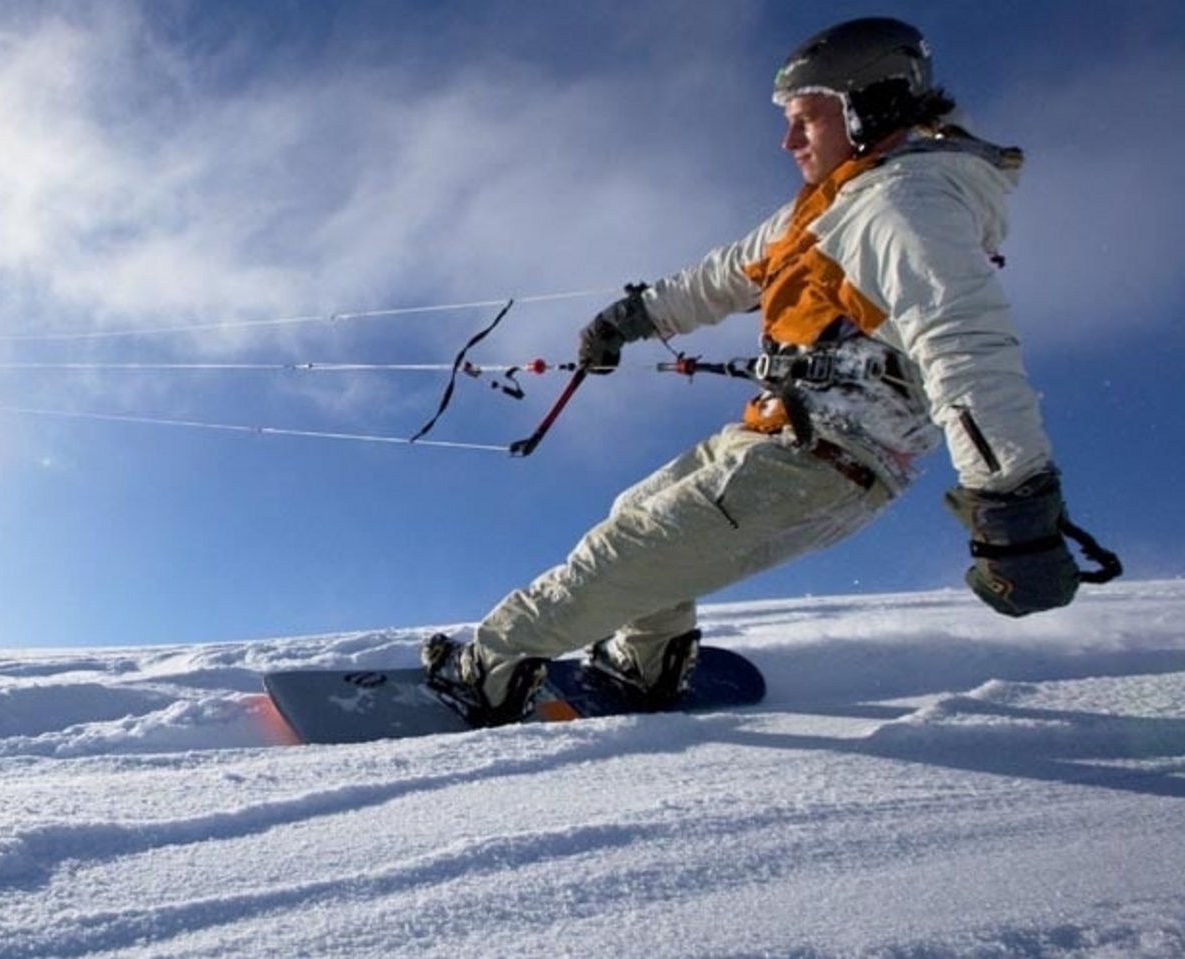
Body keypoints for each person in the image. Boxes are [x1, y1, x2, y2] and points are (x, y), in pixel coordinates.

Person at [423, 16, 1116, 725]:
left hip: (832, 460)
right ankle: (649, 660)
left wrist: (1014, 505)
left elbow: (966, 347)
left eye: (807, 120)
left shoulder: (905, 205)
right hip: (781, 436)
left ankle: (493, 668)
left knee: (626, 547)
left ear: (869, 105)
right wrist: (631, 320)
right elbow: (727, 272)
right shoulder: (838, 202)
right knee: (636, 511)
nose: (788, 141)